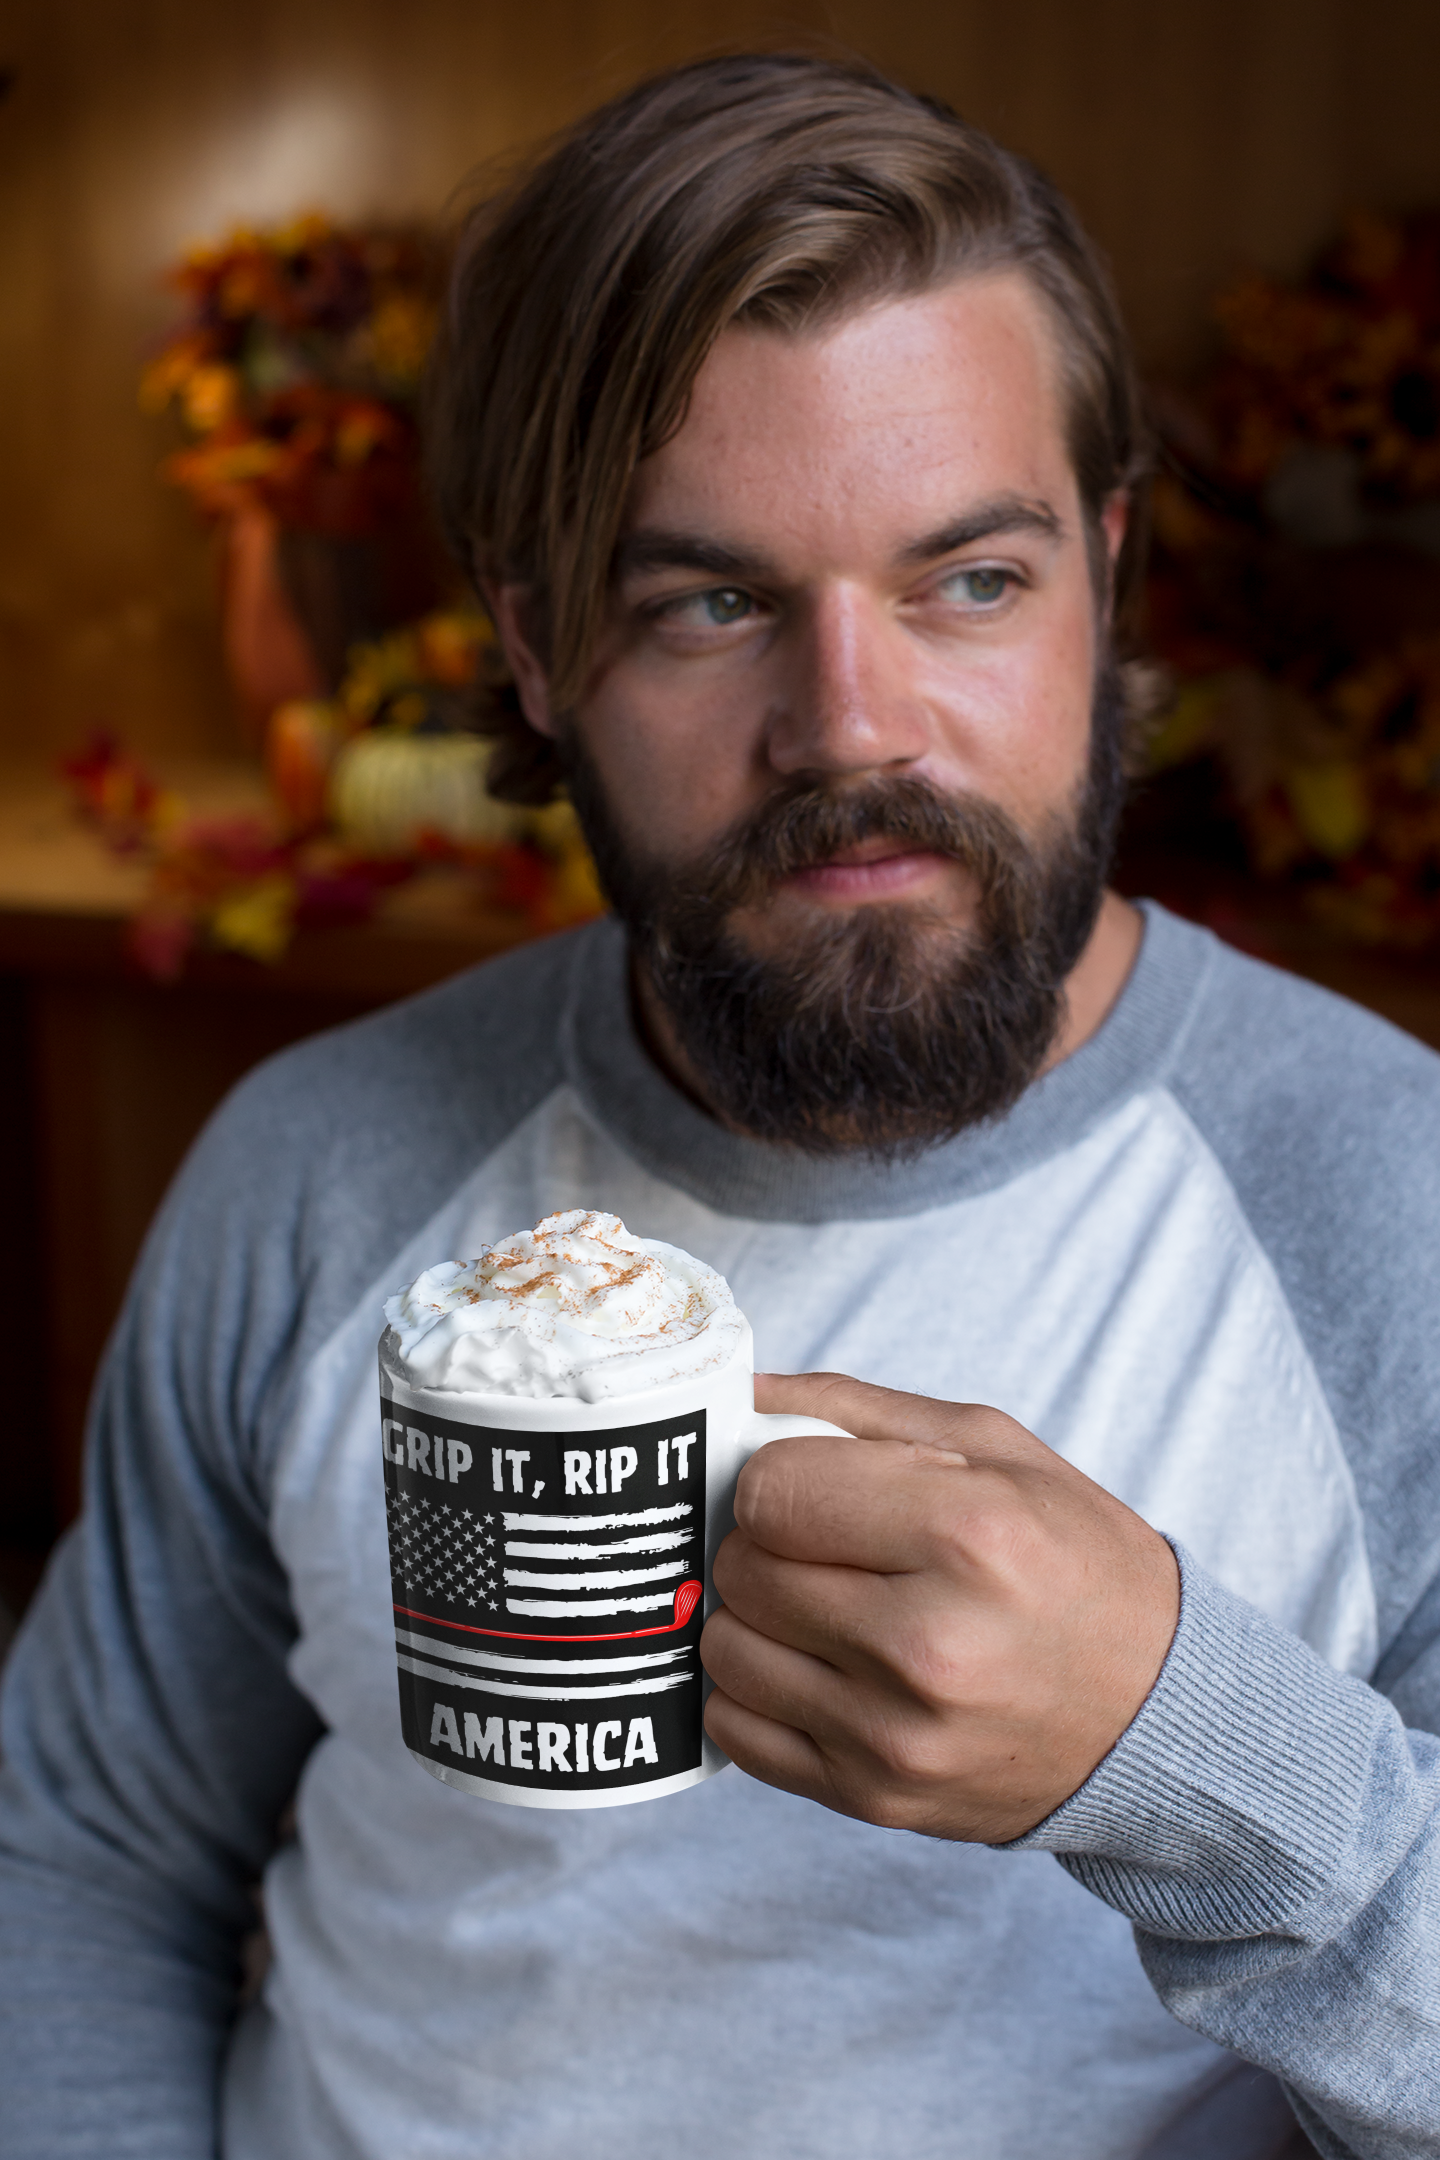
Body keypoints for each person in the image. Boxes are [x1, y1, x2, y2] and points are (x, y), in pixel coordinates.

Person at [2, 51, 1437, 2160]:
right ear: (536, 647)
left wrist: (1176, 1753)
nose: (849, 727)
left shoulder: (1388, 1212)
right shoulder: (318, 1165)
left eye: (971, 580)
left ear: (1106, 580)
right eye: (709, 601)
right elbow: (88, 1864)